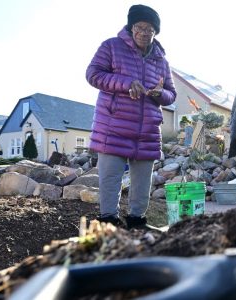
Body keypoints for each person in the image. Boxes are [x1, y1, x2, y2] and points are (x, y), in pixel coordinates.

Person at [86, 4, 176, 229]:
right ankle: (108, 222)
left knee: (143, 181)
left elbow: (171, 94)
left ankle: (137, 221)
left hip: (146, 130)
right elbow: (93, 74)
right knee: (110, 179)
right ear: (131, 26)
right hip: (113, 126)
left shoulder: (161, 60)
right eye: (140, 27)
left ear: (155, 32)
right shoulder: (111, 47)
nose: (145, 33)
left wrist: (159, 94)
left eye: (150, 29)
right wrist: (126, 84)